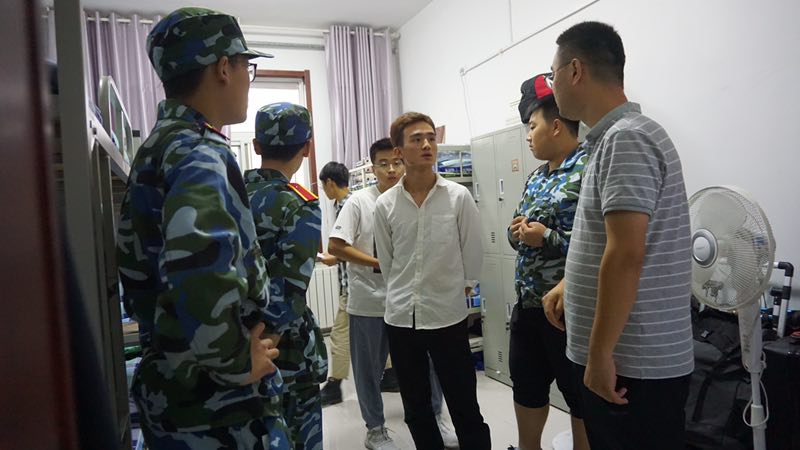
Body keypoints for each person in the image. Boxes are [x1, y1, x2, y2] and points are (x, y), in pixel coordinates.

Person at [116, 7, 286, 449]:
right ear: (224, 68)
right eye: (247, 66)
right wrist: (235, 363)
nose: (248, 79)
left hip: (176, 384)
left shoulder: (160, 145)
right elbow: (200, 264)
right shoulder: (199, 151)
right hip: (217, 408)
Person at [542, 21, 694, 450]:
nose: (553, 87)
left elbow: (626, 253)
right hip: (628, 359)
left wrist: (600, 354)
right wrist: (572, 282)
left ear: (575, 70)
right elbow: (611, 240)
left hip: (632, 364)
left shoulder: (626, 139)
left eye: (553, 75)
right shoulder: (614, 139)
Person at [328, 138, 458, 449]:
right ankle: (375, 429)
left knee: (427, 365)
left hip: (411, 303)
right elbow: (336, 246)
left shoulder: (414, 198)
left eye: (396, 163)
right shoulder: (359, 202)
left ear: (404, 161)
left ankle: (436, 417)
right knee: (369, 371)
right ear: (372, 168)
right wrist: (380, 263)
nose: (391, 169)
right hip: (369, 302)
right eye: (383, 164)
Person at [374, 112, 491, 450]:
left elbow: (472, 252)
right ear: (399, 151)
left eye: (430, 138)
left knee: (464, 404)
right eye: (416, 139)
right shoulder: (385, 204)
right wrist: (405, 292)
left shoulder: (457, 197)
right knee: (416, 407)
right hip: (401, 318)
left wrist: (458, 289)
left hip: (447, 316)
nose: (427, 144)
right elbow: (387, 262)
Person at [507, 74, 589, 450]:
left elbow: (601, 245)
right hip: (528, 304)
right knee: (527, 386)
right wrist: (518, 233)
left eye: (532, 125)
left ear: (556, 126)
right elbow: (516, 230)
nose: (528, 135)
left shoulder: (588, 169)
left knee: (579, 395)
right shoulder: (536, 177)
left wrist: (547, 237)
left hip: (568, 311)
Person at [244, 102, 328, 449]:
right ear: (306, 148)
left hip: (233, 338)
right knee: (297, 433)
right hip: (284, 349)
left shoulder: (228, 194)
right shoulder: (299, 204)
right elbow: (291, 288)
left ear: (256, 146)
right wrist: (268, 343)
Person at [317, 161, 353, 406]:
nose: (324, 190)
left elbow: (354, 246)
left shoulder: (348, 206)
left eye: (323, 186)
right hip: (354, 283)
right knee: (376, 333)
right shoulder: (348, 204)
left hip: (353, 286)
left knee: (339, 334)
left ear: (330, 182)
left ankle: (334, 385)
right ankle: (390, 375)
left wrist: (333, 258)